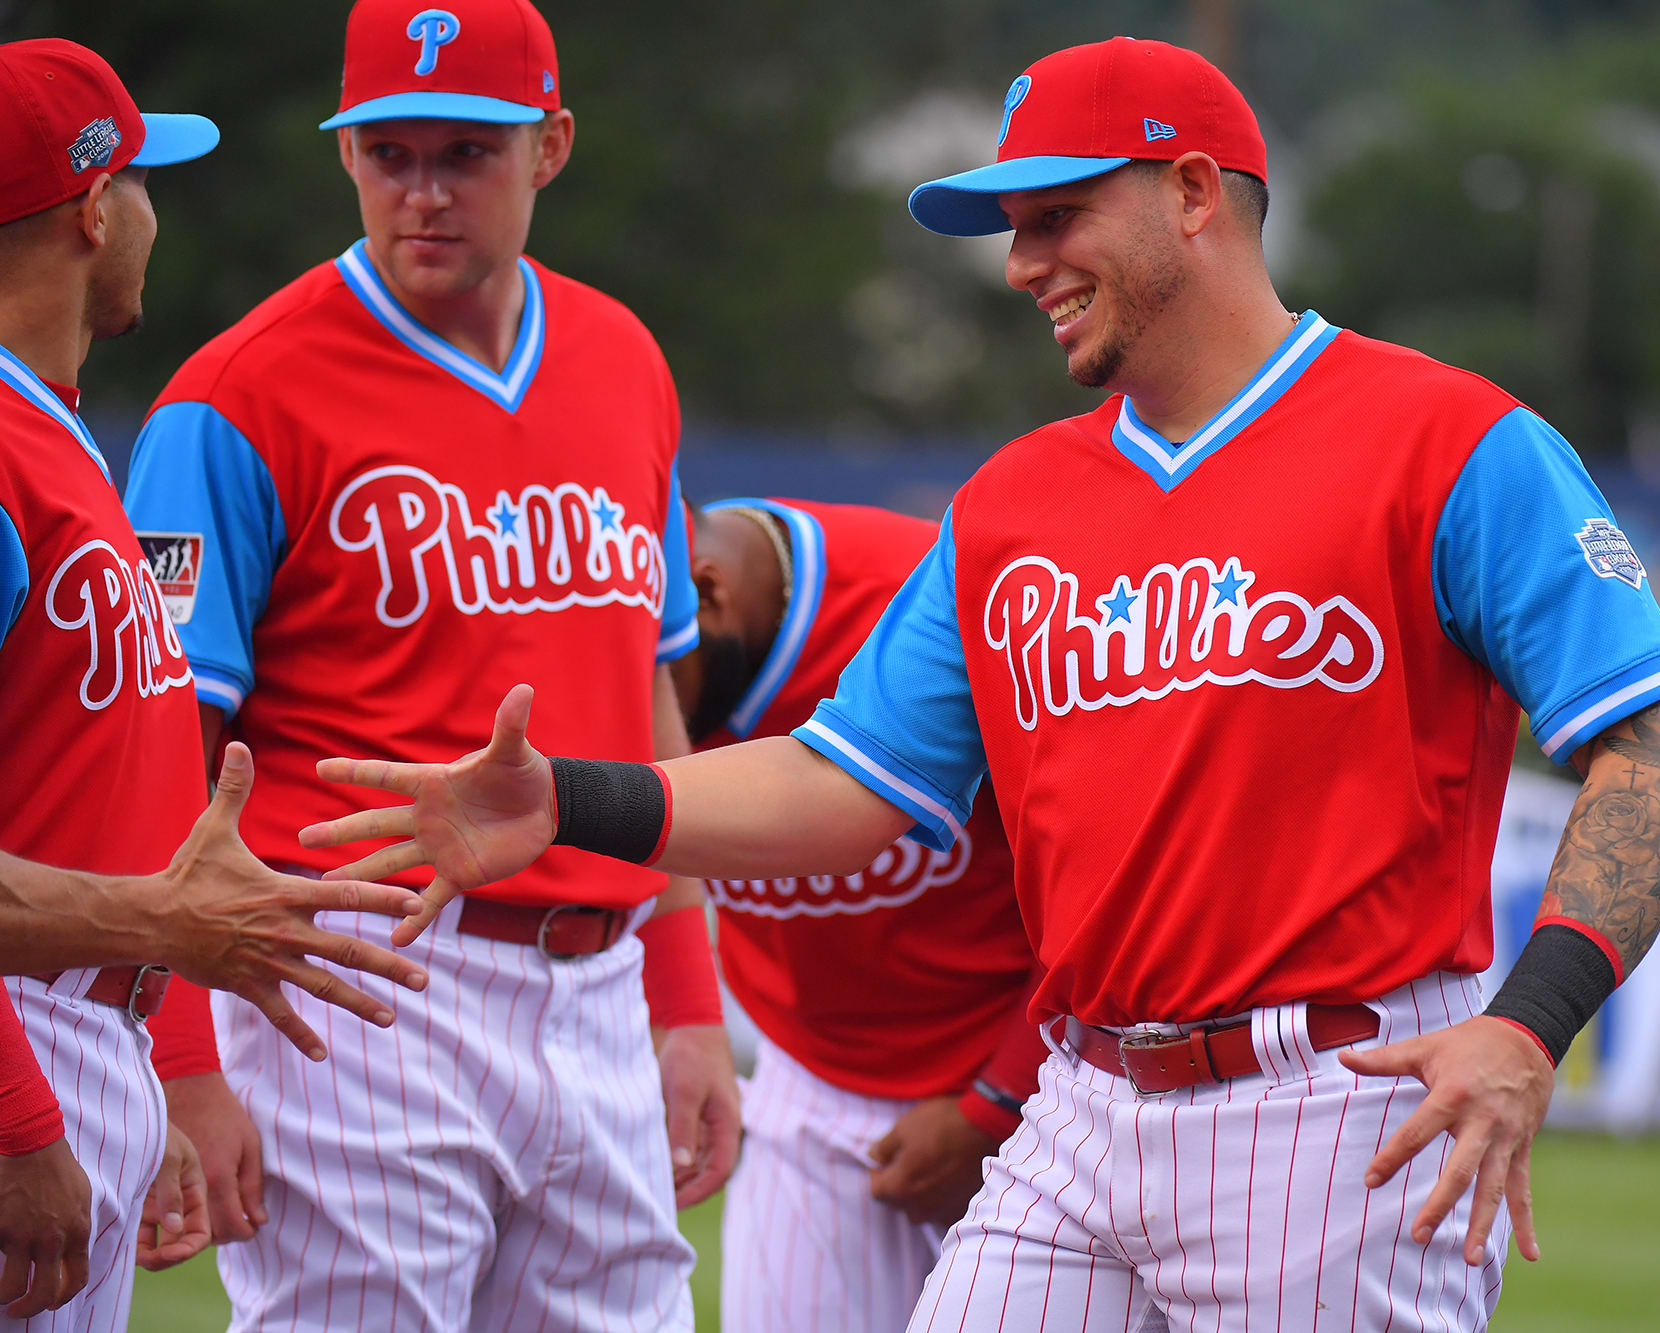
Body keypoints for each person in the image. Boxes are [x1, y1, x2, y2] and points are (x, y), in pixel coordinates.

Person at [307, 38, 1660, 1331]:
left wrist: (1530, 1025)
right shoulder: (1014, 506)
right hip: (1082, 1107)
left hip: (1334, 1106)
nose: (1020, 261)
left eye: (1056, 215)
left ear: (1191, 192)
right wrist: (569, 802)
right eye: (1014, 227)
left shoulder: (1450, 441)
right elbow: (840, 783)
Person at [119, 2, 735, 1326]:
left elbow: (650, 702)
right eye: (388, 151)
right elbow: (156, 761)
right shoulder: (236, 396)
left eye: (467, 151)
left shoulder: (622, 359)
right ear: (345, 155)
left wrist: (688, 999)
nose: (424, 190)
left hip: (602, 976)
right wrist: (180, 1055)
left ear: (551, 146)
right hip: (353, 975)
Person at [0, 38, 428, 1330]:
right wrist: (24, 1120)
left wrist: (156, 1056)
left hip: (87, 1020)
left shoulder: (52, 429)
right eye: (141, 182)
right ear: (92, 207)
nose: (148, 214)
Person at [672, 497, 1045, 1331]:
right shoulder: (622, 633)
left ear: (708, 591)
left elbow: (1099, 887)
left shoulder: (927, 593)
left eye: (659, 667)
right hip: (810, 1077)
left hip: (1039, 1080)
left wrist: (999, 1098)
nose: (639, 710)